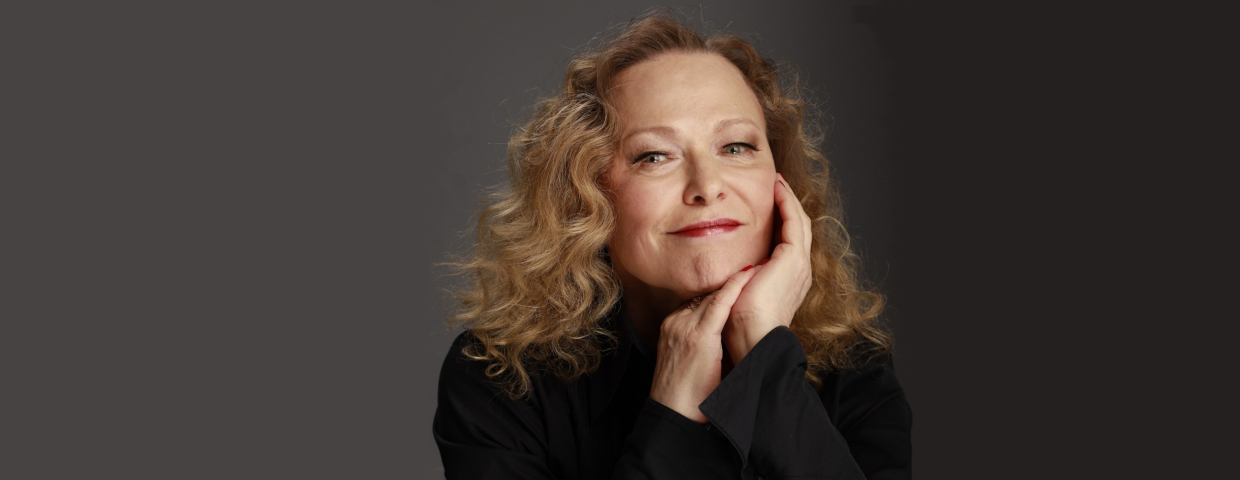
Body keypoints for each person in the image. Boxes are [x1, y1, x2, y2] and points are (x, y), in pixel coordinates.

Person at [434, 11, 911, 480]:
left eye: (736, 147)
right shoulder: (499, 380)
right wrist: (676, 413)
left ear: (778, 175)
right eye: (654, 156)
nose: (707, 186)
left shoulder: (854, 366)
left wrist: (765, 356)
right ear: (585, 195)